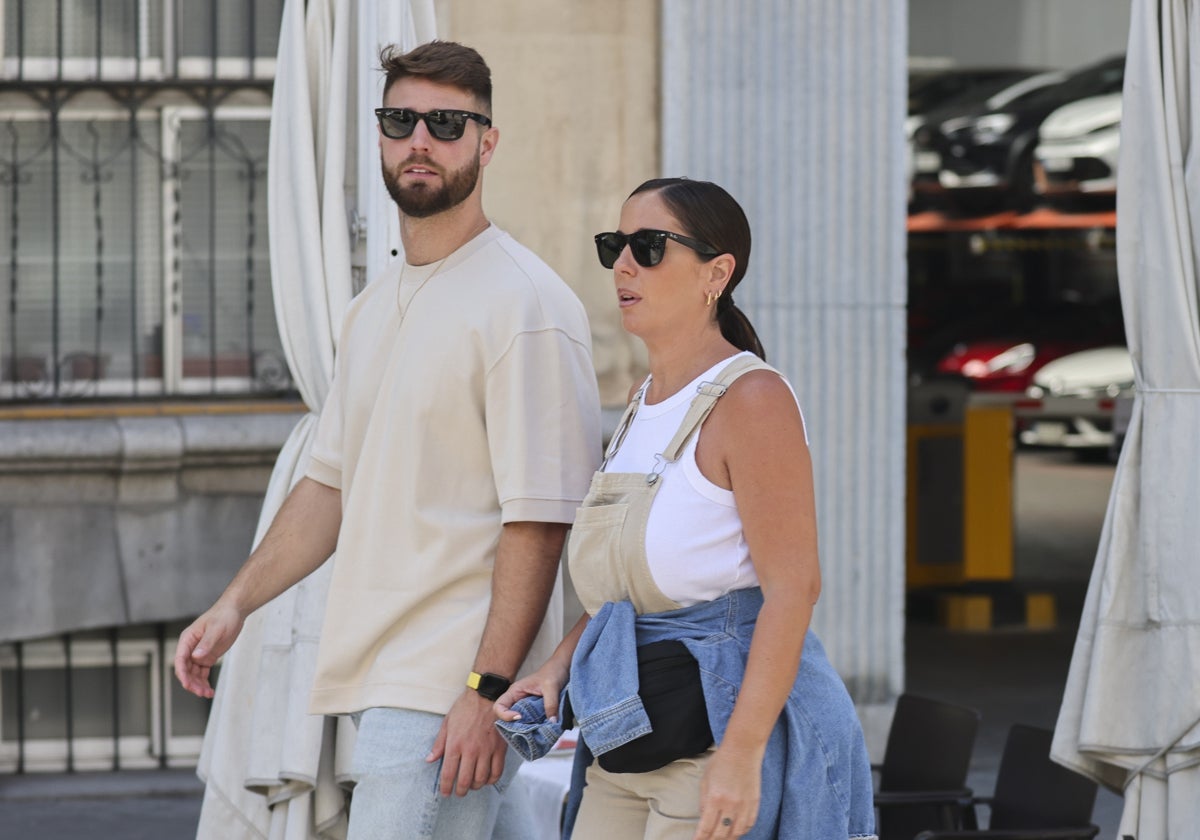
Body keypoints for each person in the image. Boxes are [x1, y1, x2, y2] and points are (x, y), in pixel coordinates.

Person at [174, 40, 601, 839]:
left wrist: (485, 687)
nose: (420, 141)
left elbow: (540, 522)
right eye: (401, 119)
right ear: (378, 135)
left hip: (448, 687)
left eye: (446, 123)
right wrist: (235, 605)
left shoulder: (525, 304)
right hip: (377, 676)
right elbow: (328, 485)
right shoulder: (370, 311)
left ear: (487, 142)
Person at [494, 178, 876, 839]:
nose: (623, 265)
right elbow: (629, 591)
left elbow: (793, 590)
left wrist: (741, 754)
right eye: (615, 245)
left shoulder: (751, 399)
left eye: (648, 246)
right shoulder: (643, 401)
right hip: (629, 729)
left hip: (715, 731)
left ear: (717, 273)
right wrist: (556, 669)